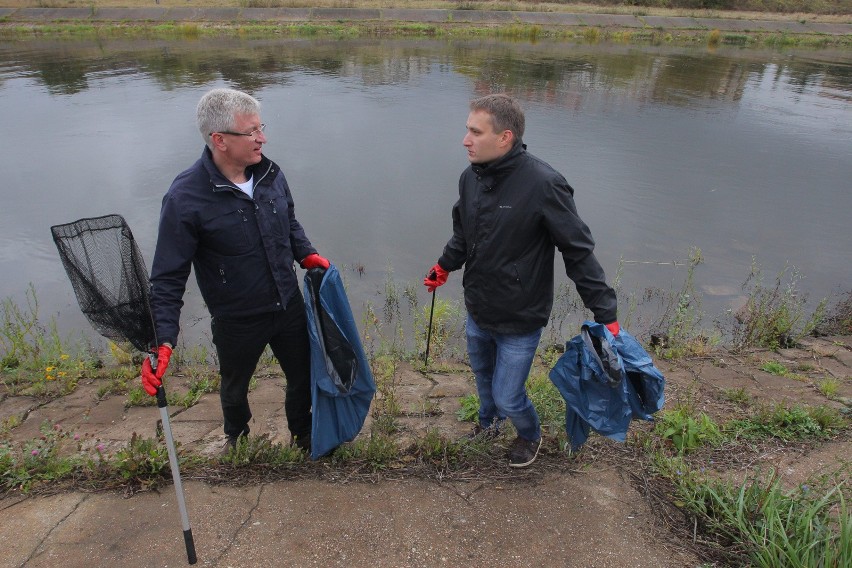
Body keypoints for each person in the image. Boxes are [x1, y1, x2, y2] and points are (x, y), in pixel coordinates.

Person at [424, 94, 620, 468]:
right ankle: (489, 423)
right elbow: (463, 237)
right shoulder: (471, 178)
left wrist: (605, 311)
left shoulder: (545, 184)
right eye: (467, 130)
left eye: (474, 132)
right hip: (479, 307)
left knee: (509, 395)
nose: (465, 140)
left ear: (505, 137)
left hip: (520, 317)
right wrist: (443, 267)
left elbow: (577, 251)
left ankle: (529, 433)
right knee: (483, 376)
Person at [140, 87, 329, 454]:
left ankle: (304, 436)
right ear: (220, 140)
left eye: (262, 127)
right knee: (234, 383)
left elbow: (289, 222)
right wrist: (162, 339)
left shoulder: (271, 173)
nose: (263, 138)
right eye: (252, 132)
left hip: (287, 303)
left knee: (303, 374)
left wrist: (306, 254)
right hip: (236, 317)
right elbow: (167, 277)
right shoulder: (185, 198)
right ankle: (237, 438)